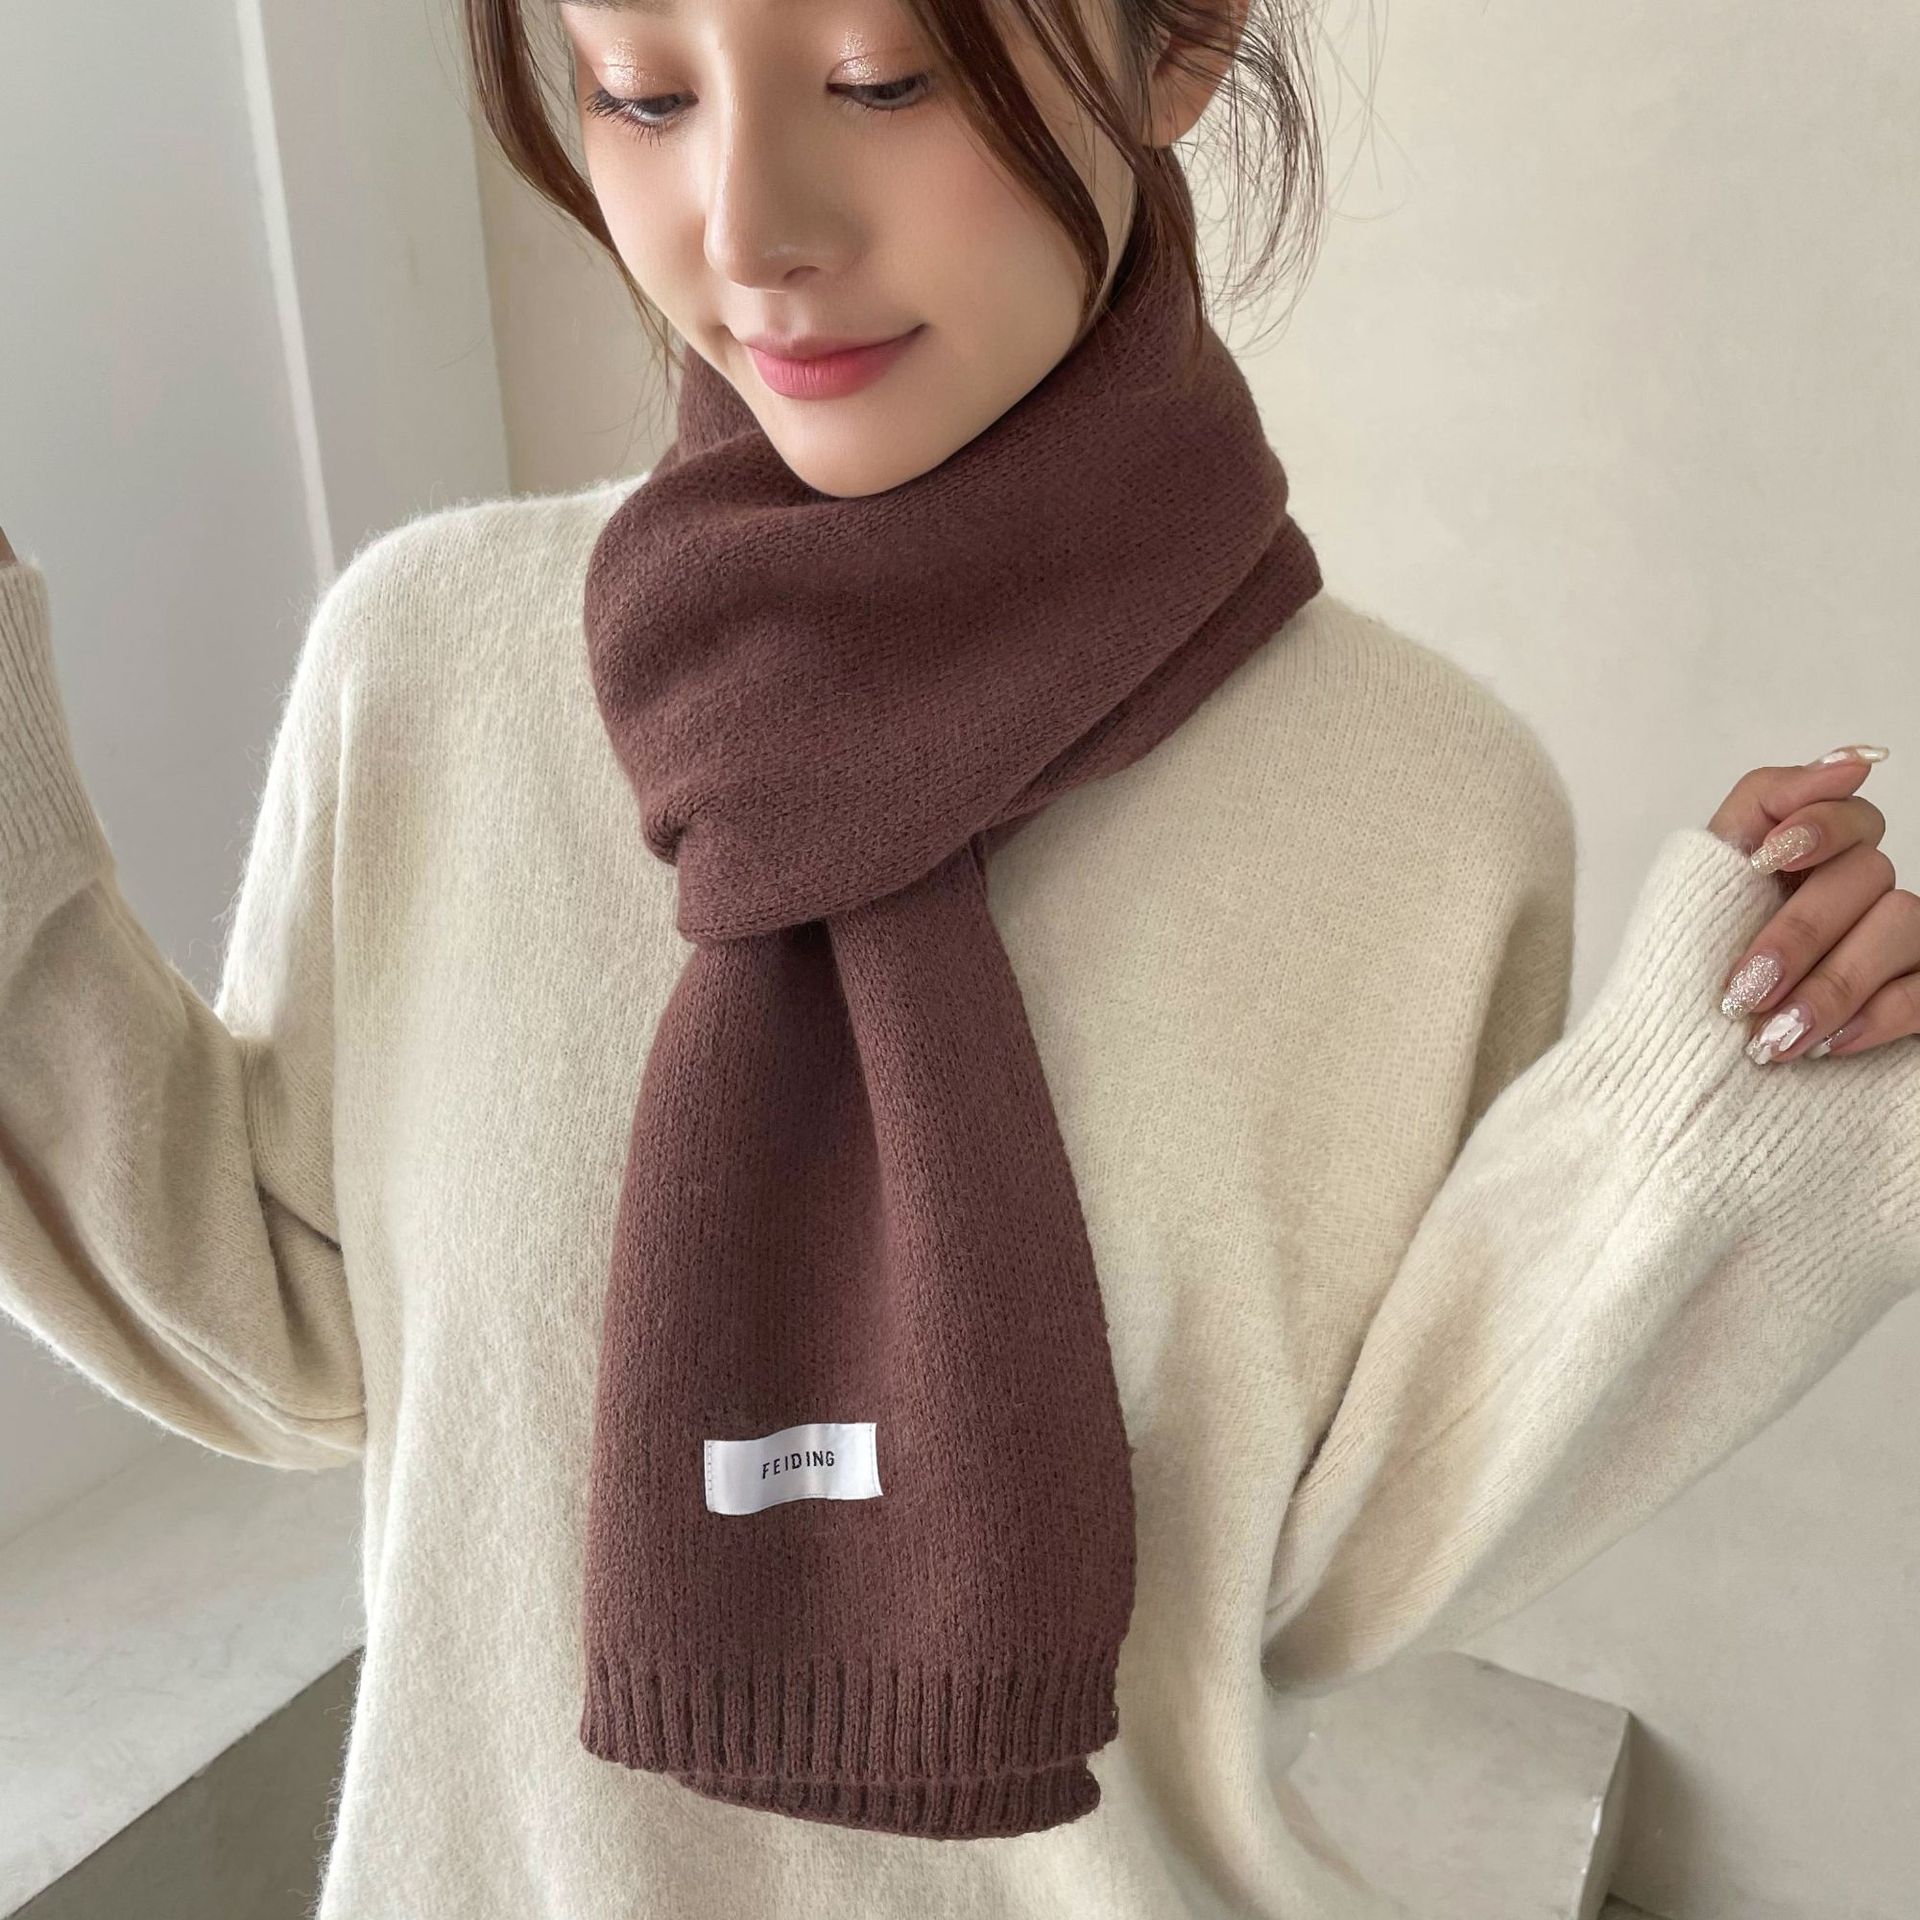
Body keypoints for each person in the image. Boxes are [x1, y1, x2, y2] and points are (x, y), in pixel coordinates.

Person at [1, 0, 1915, 1908]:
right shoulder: (429, 668)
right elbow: (286, 1339)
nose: (748, 229)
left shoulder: (1427, 811)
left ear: (1182, 42)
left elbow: (1327, 1574)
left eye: (879, 79)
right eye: (642, 95)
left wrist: (1721, 1120)